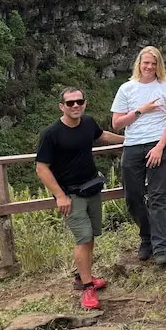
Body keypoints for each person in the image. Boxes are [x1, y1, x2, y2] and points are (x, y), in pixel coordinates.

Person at [36, 87, 124, 310]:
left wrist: (129, 140)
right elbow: (41, 168)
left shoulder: (88, 123)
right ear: (61, 106)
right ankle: (87, 288)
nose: (75, 105)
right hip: (71, 195)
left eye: (79, 101)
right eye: (70, 103)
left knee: (91, 235)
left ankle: (83, 277)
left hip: (91, 188)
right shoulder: (51, 134)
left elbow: (102, 136)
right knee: (83, 238)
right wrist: (60, 196)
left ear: (84, 103)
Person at [111, 46, 166, 265]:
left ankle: (161, 247)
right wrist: (140, 110)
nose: (149, 67)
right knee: (133, 197)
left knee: (158, 196)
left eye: (153, 63)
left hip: (158, 143)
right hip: (132, 146)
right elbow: (117, 123)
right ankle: (146, 237)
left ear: (159, 66)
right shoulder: (126, 88)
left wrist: (160, 147)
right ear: (139, 64)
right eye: (145, 62)